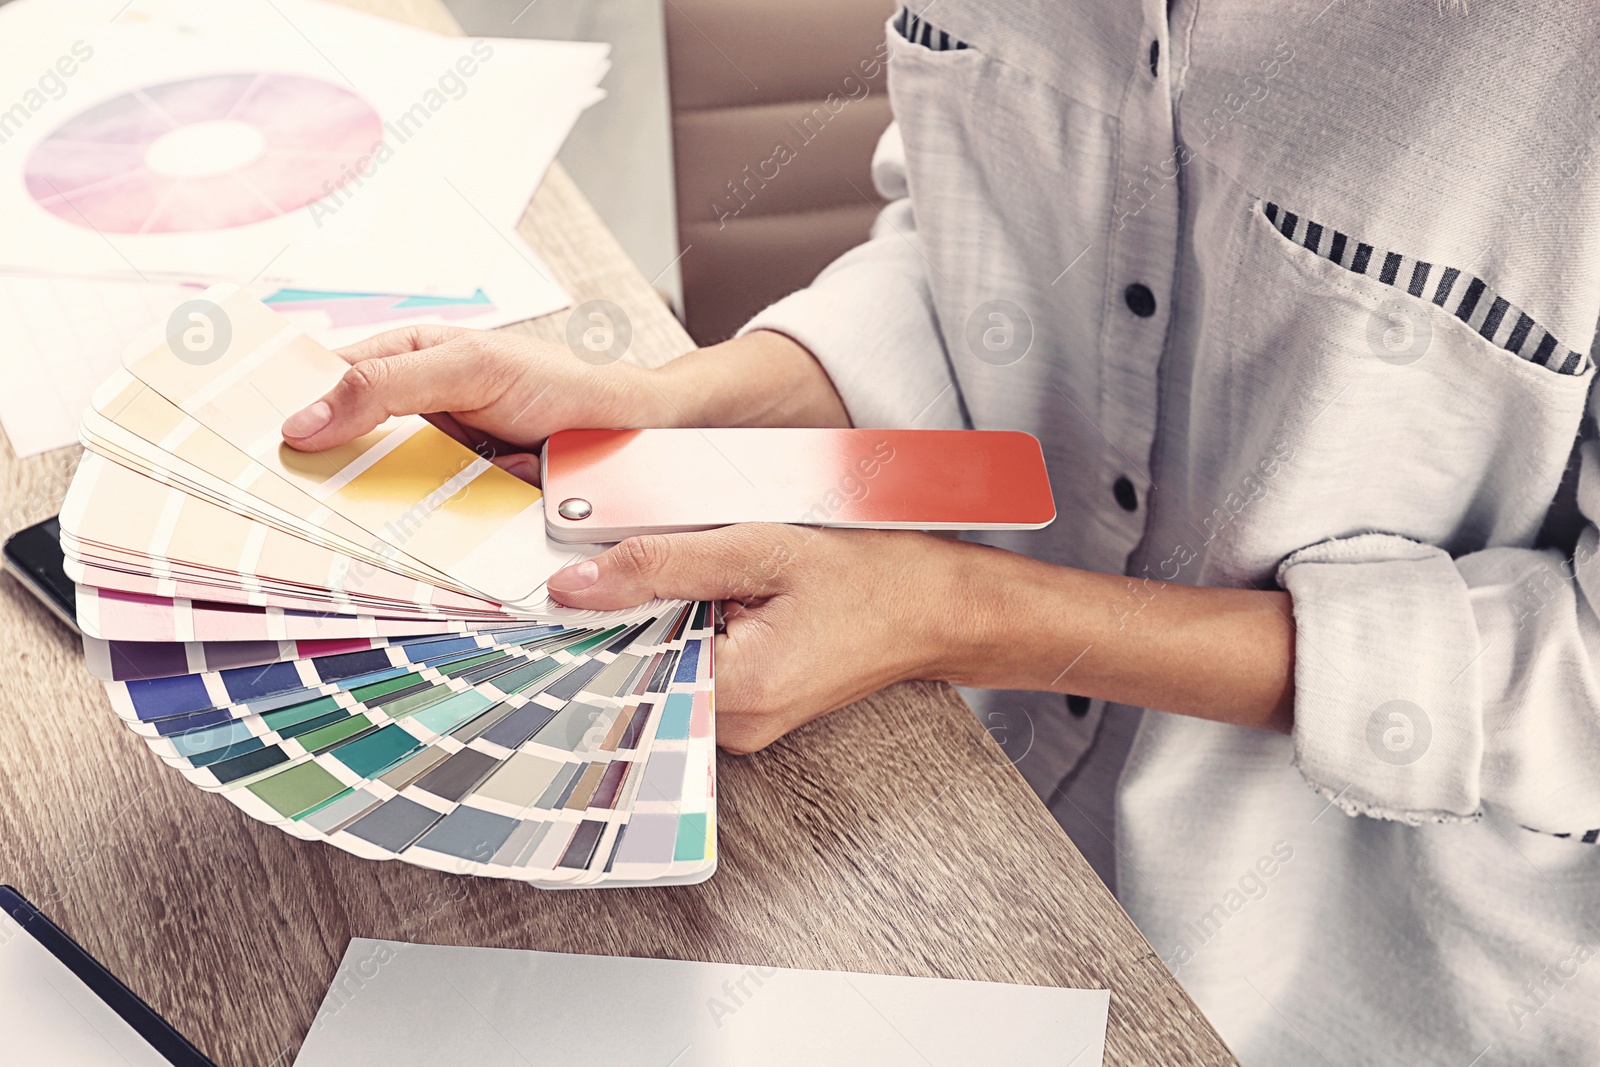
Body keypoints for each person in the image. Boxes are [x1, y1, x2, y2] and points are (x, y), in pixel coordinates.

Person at [282, 2, 1600, 1062]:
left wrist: (955, 614)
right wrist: (666, 408)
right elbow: (977, 267)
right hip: (942, 816)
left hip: (1345, 982)